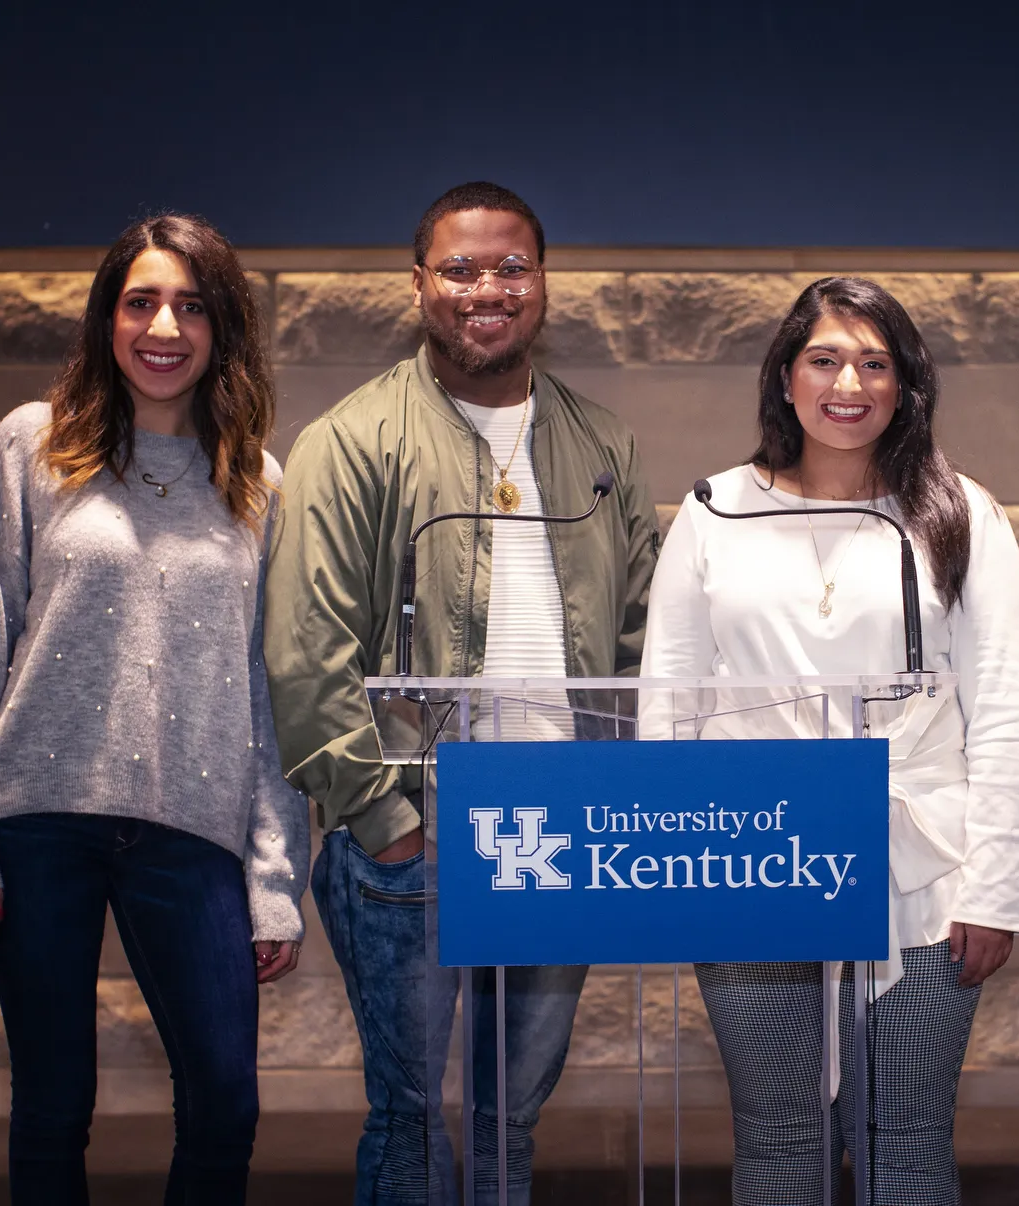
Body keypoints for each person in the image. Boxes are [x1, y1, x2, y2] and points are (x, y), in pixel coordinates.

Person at [263, 181, 659, 1206]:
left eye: (510, 266)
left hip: (559, 836)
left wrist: (611, 803)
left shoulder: (604, 446)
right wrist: (389, 822)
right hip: (418, 839)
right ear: (418, 285)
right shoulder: (349, 443)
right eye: (459, 268)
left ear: (542, 283)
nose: (487, 288)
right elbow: (309, 654)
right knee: (409, 1120)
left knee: (507, 1122)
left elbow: (639, 643)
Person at [0, 213, 308, 1205]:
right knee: (53, 1105)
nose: (164, 327)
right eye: (141, 302)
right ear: (108, 319)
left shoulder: (256, 484)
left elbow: (269, 694)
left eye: (190, 304)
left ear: (223, 326)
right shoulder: (32, 445)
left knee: (225, 1102)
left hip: (194, 828)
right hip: (39, 821)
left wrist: (273, 877)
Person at [641, 276, 1019, 1204]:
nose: (846, 382)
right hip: (749, 864)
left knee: (905, 1147)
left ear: (906, 385)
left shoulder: (959, 513)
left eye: (874, 362)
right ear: (785, 377)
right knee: (778, 1147)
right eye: (823, 359)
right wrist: (676, 870)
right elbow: (669, 702)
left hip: (923, 871)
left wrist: (995, 891)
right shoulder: (711, 510)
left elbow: (1006, 712)